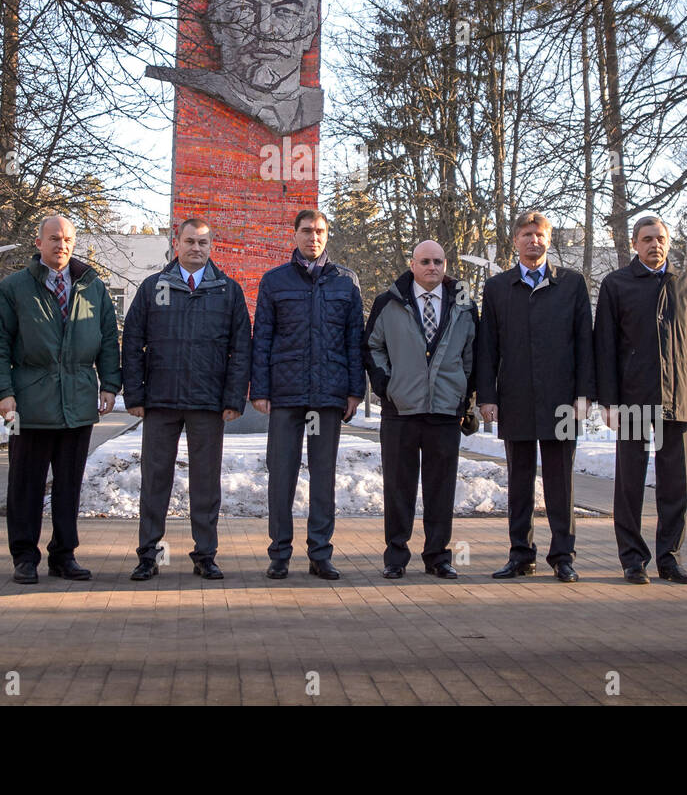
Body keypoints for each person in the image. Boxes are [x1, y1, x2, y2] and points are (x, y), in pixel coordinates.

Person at [0, 214, 120, 585]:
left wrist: (110, 384)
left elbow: (108, 339)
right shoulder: (14, 289)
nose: (62, 245)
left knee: (69, 486)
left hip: (77, 405)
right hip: (26, 407)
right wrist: (3, 394)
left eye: (68, 239)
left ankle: (64, 555)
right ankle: (24, 557)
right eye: (54, 238)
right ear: (38, 242)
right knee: (24, 484)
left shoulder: (92, 287)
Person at [122, 218, 251, 581]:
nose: (197, 248)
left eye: (204, 242)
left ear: (212, 246)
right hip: (160, 400)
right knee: (155, 480)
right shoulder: (153, 288)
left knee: (206, 483)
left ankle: (205, 555)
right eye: (190, 241)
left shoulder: (228, 291)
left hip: (208, 404)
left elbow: (241, 350)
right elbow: (132, 342)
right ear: (176, 243)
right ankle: (150, 555)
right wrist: (134, 393)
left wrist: (233, 398)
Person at [594, 214, 687, 584]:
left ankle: (670, 559)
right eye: (646, 239)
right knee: (629, 483)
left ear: (668, 240)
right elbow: (605, 347)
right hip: (631, 398)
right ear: (634, 243)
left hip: (677, 396)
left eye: (660, 237)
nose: (654, 244)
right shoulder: (616, 284)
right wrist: (608, 401)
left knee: (674, 483)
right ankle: (632, 559)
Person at [475, 211, 594, 583]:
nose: (534, 241)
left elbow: (585, 346)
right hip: (516, 397)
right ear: (515, 241)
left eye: (540, 234)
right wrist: (487, 396)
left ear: (549, 239)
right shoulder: (497, 288)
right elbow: (487, 348)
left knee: (560, 482)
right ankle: (520, 554)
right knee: (520, 482)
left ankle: (563, 556)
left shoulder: (572, 285)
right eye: (527, 234)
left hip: (561, 401)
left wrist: (584, 395)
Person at [251, 209, 364, 579]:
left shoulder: (346, 282)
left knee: (323, 476)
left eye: (319, 231)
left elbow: (354, 342)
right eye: (305, 231)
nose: (312, 237)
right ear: (294, 235)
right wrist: (261, 389)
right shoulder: (275, 281)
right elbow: (262, 338)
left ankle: (320, 553)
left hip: (327, 399)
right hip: (286, 397)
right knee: (280, 475)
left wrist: (354, 391)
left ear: (327, 235)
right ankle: (279, 554)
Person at [363, 240, 478, 580]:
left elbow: (473, 353)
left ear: (446, 265)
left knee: (441, 487)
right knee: (399, 486)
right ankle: (395, 556)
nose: (432, 267)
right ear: (412, 264)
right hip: (401, 410)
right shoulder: (389, 302)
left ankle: (438, 557)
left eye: (439, 262)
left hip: (444, 410)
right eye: (425, 261)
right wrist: (387, 386)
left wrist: (463, 393)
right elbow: (372, 346)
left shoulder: (463, 303)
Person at [145, 0, 322, 135]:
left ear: (308, 29)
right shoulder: (198, 90)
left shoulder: (311, 107)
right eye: (244, 9)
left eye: (284, 11)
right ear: (216, 24)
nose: (264, 28)